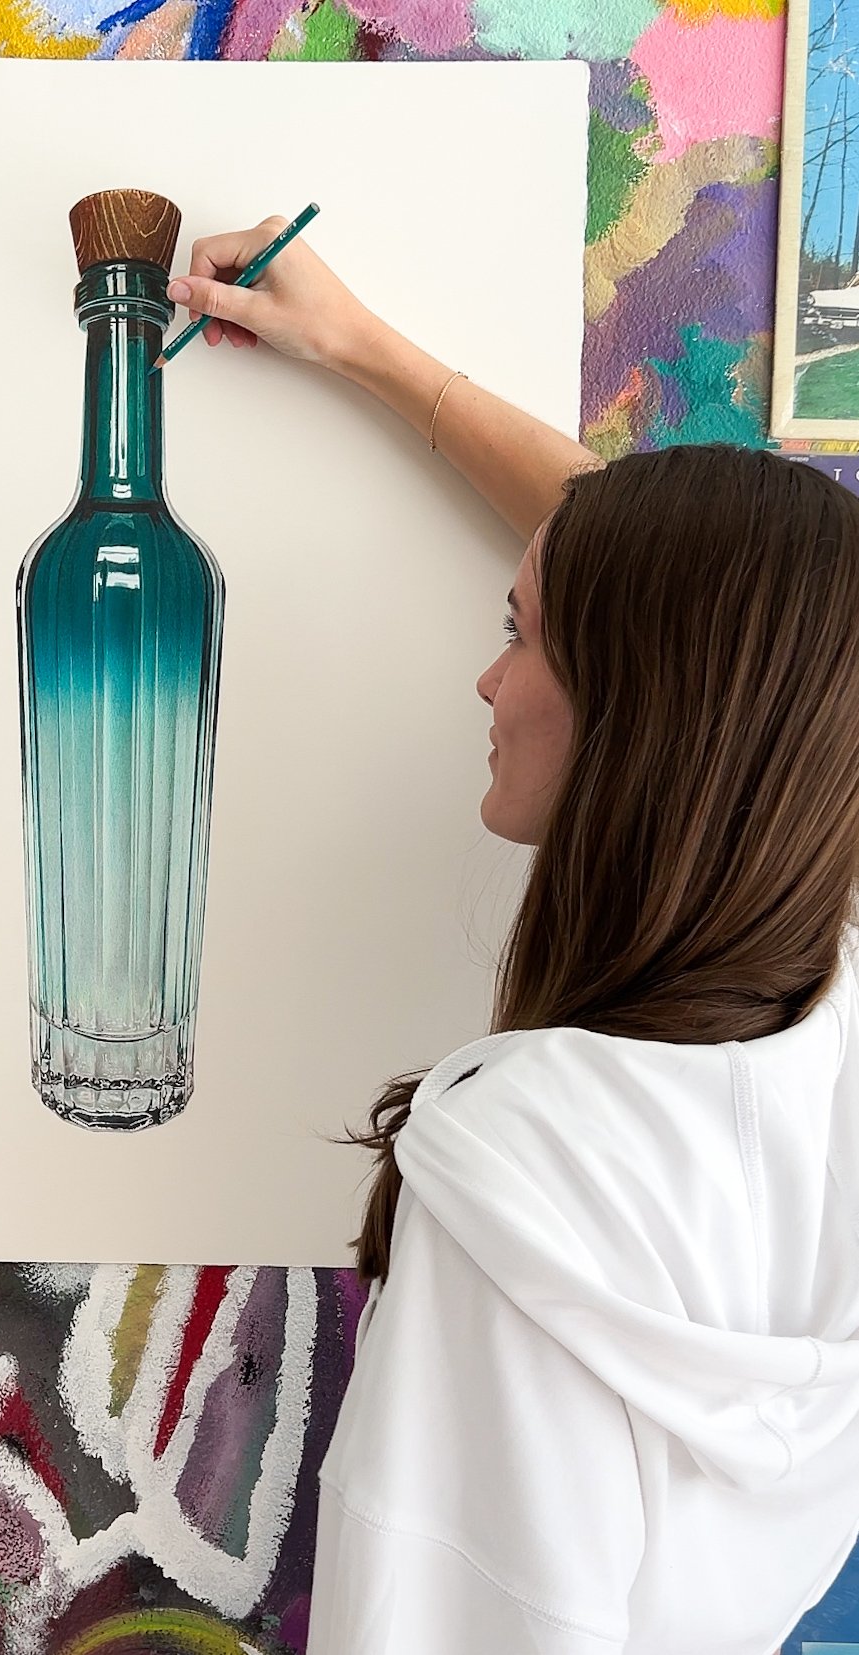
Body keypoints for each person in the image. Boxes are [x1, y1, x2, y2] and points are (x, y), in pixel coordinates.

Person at [166, 218, 859, 1652]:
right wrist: (366, 353)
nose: (487, 679)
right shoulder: (832, 1010)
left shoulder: (527, 1158)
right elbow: (752, 632)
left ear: (644, 702)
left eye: (519, 631)